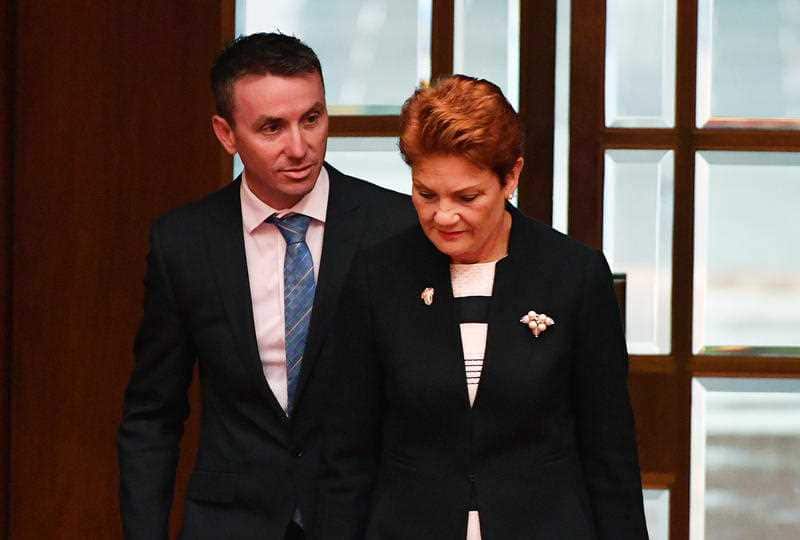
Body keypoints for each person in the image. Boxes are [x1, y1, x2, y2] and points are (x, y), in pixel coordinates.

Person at [317, 75, 649, 539]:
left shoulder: (573, 275)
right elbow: (346, 455)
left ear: (510, 176)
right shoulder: (380, 277)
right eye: (426, 194)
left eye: (467, 197)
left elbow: (609, 453)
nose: (443, 216)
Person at [117, 33, 416, 540]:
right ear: (226, 133)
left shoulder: (395, 226)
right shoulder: (185, 242)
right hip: (230, 519)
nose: (299, 147)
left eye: (312, 119)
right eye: (271, 128)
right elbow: (153, 413)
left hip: (364, 517)